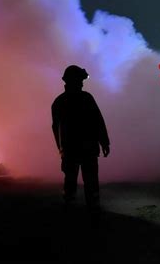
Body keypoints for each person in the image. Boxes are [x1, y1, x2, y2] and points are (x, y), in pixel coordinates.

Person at [52, 65, 110, 210]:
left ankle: (71, 208)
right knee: (90, 181)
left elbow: (55, 129)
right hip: (87, 148)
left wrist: (61, 149)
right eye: (80, 80)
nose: (82, 83)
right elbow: (98, 121)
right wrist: (104, 142)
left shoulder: (59, 102)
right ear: (74, 80)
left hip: (71, 149)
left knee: (71, 180)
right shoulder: (86, 98)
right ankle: (92, 209)